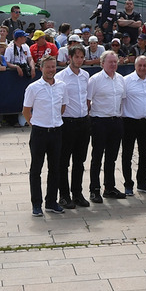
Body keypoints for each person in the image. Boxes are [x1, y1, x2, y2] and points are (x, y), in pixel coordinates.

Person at [22, 55, 67, 216]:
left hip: (56, 132)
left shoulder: (61, 86)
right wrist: (34, 124)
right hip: (40, 133)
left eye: (53, 67)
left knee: (55, 168)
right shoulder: (33, 87)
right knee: (36, 169)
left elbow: (63, 107)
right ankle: (36, 204)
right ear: (41, 68)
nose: (51, 70)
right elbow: (26, 111)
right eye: (48, 67)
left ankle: (51, 202)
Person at [87, 51, 127, 202]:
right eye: (110, 62)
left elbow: (122, 100)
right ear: (102, 63)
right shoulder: (95, 80)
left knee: (112, 157)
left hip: (115, 121)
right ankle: (94, 189)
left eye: (115, 62)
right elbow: (88, 102)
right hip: (99, 121)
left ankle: (109, 187)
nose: (113, 65)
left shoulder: (121, 79)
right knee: (97, 157)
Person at [55, 45, 91, 208]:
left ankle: (77, 193)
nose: (79, 60)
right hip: (67, 123)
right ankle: (64, 195)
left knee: (80, 160)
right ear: (70, 58)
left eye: (82, 57)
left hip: (83, 122)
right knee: (64, 161)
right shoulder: (61, 76)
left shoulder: (85, 75)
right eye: (76, 57)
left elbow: (86, 98)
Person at [121, 55, 146, 195]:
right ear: (135, 66)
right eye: (140, 65)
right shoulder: (126, 80)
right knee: (127, 155)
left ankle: (142, 182)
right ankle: (128, 184)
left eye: (145, 66)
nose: (142, 68)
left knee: (145, 154)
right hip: (129, 122)